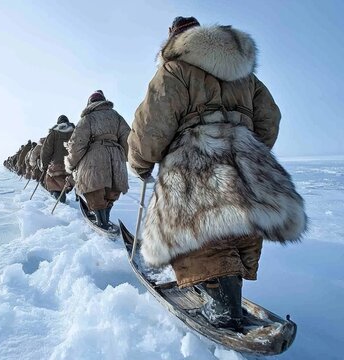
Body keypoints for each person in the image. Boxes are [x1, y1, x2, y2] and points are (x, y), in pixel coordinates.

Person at [127, 17, 307, 331]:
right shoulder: (245, 75)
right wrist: (248, 148)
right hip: (246, 161)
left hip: (194, 161)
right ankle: (225, 290)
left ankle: (220, 302)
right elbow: (270, 119)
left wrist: (141, 162)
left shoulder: (174, 71)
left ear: (175, 41)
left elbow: (151, 126)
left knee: (196, 229)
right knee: (239, 226)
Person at [65, 90, 131, 228]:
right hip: (116, 157)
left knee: (94, 190)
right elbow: (128, 139)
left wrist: (71, 164)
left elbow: (77, 144)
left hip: (95, 158)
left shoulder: (88, 119)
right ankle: (105, 217)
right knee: (112, 190)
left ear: (90, 103)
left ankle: (100, 220)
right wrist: (127, 157)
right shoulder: (117, 117)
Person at [41, 115, 75, 203]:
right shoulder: (75, 133)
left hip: (57, 164)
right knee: (69, 183)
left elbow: (46, 151)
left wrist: (44, 166)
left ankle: (60, 202)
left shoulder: (53, 134)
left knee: (55, 184)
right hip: (72, 164)